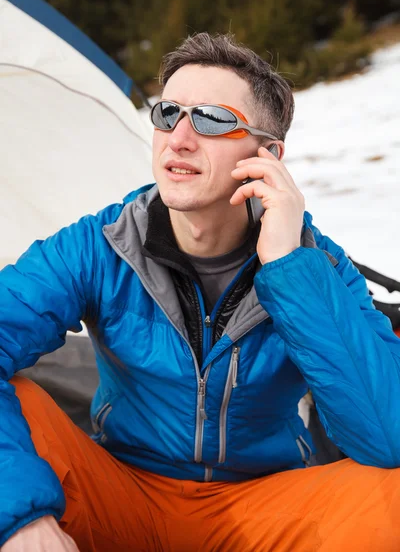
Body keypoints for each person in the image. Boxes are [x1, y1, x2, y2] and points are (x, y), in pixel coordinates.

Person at [1, 32, 400, 552]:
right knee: (23, 410)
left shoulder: (315, 266)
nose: (179, 138)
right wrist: (22, 518)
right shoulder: (101, 245)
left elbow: (385, 437)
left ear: (268, 154)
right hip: (121, 494)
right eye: (168, 114)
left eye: (211, 119)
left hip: (261, 509)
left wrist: (288, 267)